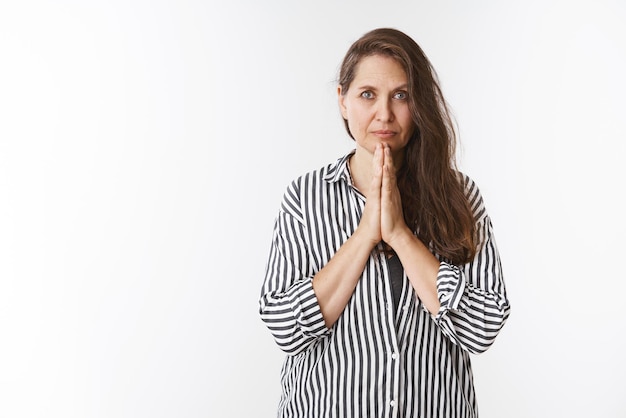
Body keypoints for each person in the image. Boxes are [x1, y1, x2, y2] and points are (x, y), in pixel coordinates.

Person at [259, 27, 510, 418]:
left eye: (401, 95)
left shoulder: (460, 196)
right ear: (342, 101)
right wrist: (365, 234)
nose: (384, 114)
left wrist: (399, 235)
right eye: (367, 95)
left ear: (419, 102)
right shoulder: (305, 198)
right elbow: (285, 328)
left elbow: (483, 327)